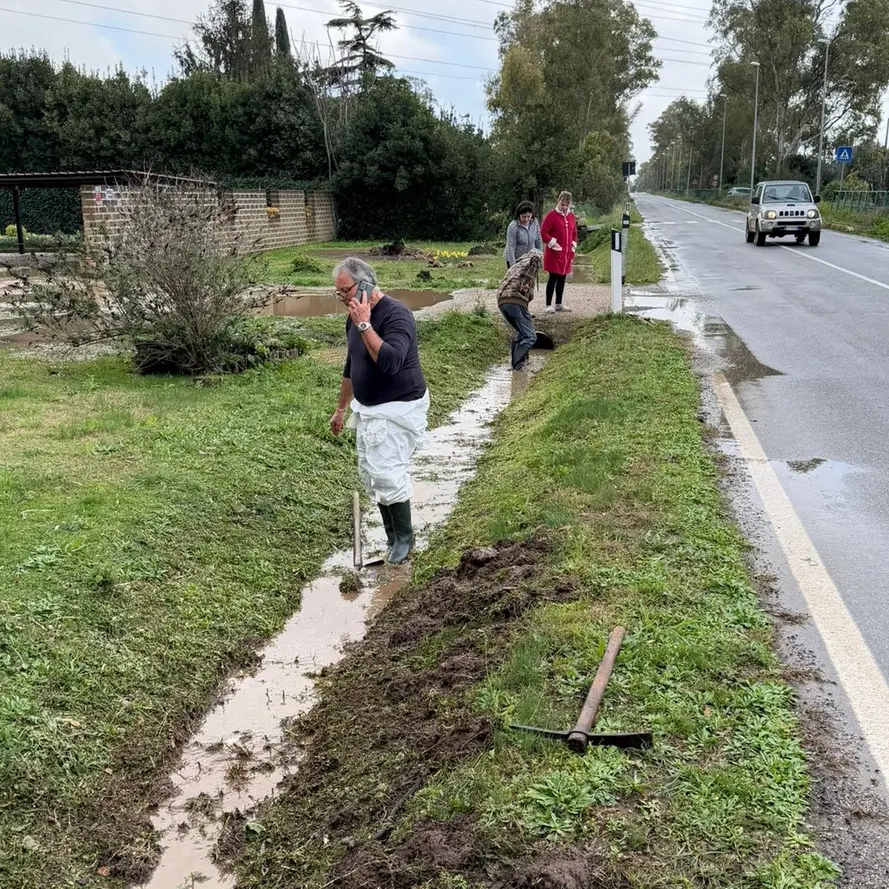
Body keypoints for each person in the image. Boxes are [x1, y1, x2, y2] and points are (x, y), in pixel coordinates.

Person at [329, 257, 429, 565]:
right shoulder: (353, 317)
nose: (343, 298)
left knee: (387, 471)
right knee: (372, 473)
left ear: (366, 284)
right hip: (369, 408)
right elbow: (352, 364)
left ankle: (404, 539)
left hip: (399, 407)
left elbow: (390, 361)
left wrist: (364, 324)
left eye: (345, 291)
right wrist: (340, 408)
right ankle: (391, 535)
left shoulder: (397, 315)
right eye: (339, 293)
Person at [497, 249, 542, 372]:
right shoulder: (534, 260)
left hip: (502, 301)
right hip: (515, 300)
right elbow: (525, 285)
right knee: (530, 336)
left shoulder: (517, 264)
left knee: (521, 332)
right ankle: (518, 365)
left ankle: (519, 362)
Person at [540, 191, 578, 313]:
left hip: (566, 254)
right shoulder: (551, 216)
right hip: (554, 253)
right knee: (553, 277)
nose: (565, 207)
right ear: (558, 201)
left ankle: (558, 303)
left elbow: (574, 233)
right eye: (563, 204)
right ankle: (548, 304)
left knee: (562, 278)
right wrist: (553, 243)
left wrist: (573, 245)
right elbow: (543, 232)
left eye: (567, 204)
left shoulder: (571, 216)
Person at [504, 201, 542, 270]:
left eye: (528, 216)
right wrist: (513, 264)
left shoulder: (535, 222)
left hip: (530, 258)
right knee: (516, 280)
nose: (526, 219)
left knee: (528, 279)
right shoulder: (513, 226)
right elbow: (511, 246)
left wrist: (539, 257)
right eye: (523, 216)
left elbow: (538, 240)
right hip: (516, 258)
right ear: (519, 215)